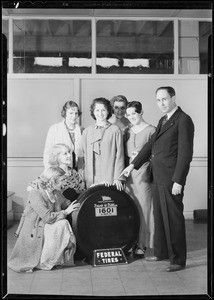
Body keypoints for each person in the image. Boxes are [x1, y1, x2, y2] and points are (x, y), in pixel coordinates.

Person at [120, 86, 194, 272]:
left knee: (174, 220)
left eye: (164, 99)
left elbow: (185, 154)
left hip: (171, 178)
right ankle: (161, 252)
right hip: (157, 176)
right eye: (158, 100)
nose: (161, 103)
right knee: (159, 217)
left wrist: (179, 180)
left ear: (173, 98)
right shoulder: (163, 120)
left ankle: (178, 259)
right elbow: (149, 146)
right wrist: (132, 165)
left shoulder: (183, 120)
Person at [8, 166, 80, 273]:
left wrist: (81, 203)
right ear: (52, 181)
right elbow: (48, 218)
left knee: (63, 223)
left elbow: (66, 204)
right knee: (62, 223)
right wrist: (65, 212)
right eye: (62, 180)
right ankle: (45, 262)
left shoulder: (55, 192)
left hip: (46, 226)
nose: (64, 183)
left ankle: (53, 258)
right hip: (36, 229)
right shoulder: (35, 193)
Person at [124, 101, 156, 259]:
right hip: (128, 176)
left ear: (141, 112)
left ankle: (142, 245)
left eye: (134, 114)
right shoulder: (127, 130)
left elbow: (156, 153)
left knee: (143, 210)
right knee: (130, 210)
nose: (131, 117)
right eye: (128, 115)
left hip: (144, 174)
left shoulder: (152, 130)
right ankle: (130, 242)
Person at [81, 97, 125, 191]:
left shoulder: (115, 130)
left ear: (108, 111)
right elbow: (83, 157)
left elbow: (120, 156)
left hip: (110, 175)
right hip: (90, 177)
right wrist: (83, 178)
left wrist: (118, 177)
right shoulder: (86, 132)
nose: (100, 113)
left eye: (103, 110)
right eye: (97, 110)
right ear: (93, 111)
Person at [43, 101, 84, 171]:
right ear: (65, 113)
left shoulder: (82, 130)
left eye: (76, 113)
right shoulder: (54, 129)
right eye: (71, 113)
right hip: (59, 170)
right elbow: (47, 152)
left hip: (77, 170)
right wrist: (50, 171)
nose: (74, 116)